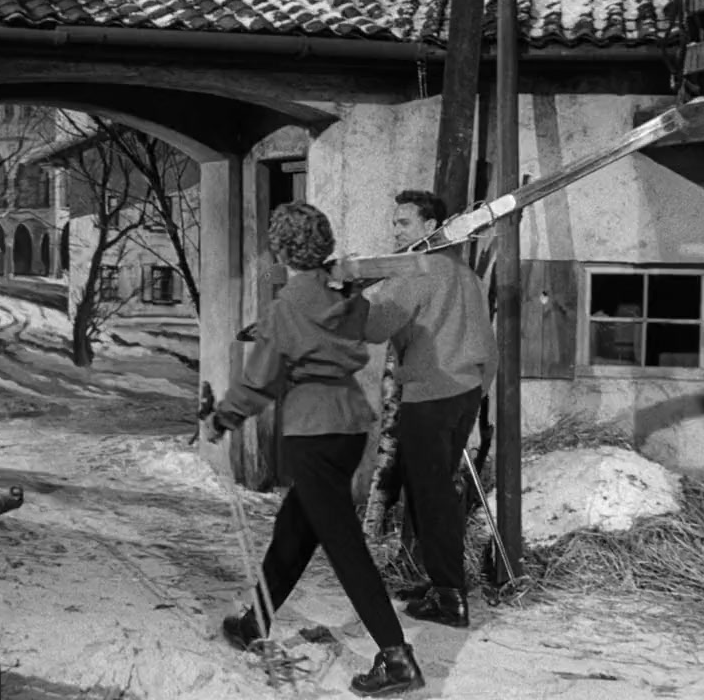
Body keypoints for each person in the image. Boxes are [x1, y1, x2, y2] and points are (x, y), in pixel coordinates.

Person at [205, 200, 424, 697]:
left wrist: (223, 416)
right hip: (349, 427)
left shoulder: (286, 308)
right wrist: (342, 286)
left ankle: (396, 658)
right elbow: (362, 319)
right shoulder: (346, 299)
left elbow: (259, 382)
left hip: (311, 431)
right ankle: (255, 622)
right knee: (294, 530)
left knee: (344, 546)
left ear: (282, 251)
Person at [364, 189, 498, 628]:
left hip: (431, 395)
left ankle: (450, 596)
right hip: (464, 393)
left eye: (403, 222)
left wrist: (349, 299)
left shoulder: (415, 269)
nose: (395, 231)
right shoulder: (464, 274)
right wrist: (476, 391)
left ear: (430, 227)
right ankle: (439, 582)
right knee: (430, 489)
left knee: (432, 495)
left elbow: (375, 326)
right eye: (394, 222)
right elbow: (488, 346)